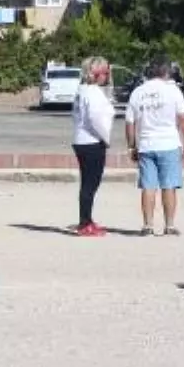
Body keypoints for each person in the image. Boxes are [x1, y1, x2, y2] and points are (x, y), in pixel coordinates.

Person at [125, 56, 184, 236]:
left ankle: (148, 225)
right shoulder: (173, 91)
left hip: (146, 144)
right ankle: (169, 225)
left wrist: (131, 146)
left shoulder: (138, 92)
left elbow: (130, 123)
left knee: (148, 186)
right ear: (166, 72)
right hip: (169, 143)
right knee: (169, 186)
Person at [70, 56, 114, 236]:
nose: (107, 76)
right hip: (92, 141)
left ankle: (86, 219)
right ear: (96, 74)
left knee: (88, 184)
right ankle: (84, 223)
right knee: (90, 184)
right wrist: (105, 138)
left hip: (81, 139)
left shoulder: (82, 90)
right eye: (104, 72)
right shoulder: (93, 92)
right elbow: (96, 119)